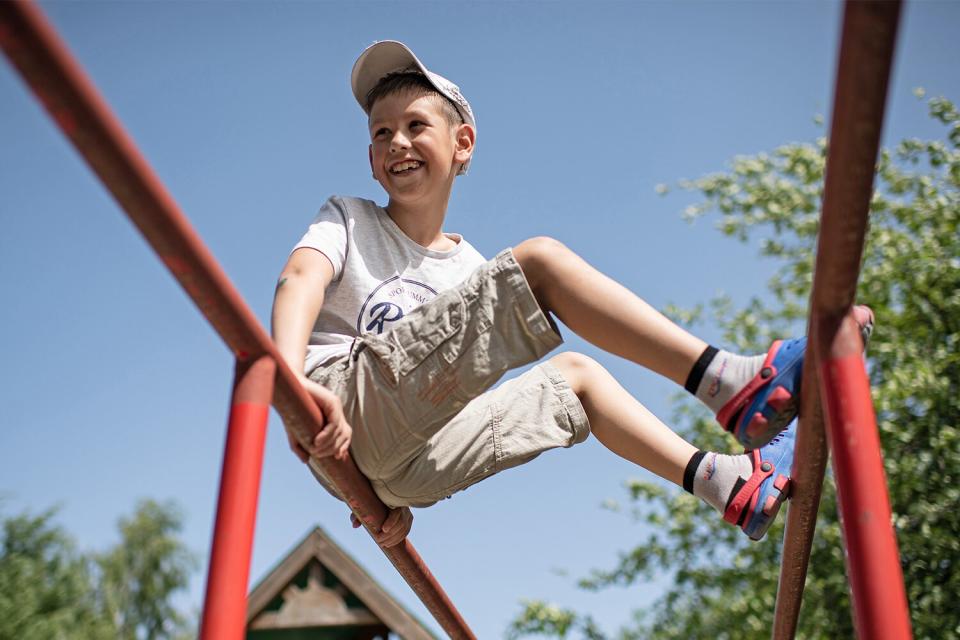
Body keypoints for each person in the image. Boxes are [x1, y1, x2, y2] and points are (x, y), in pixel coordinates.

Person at [271, 41, 872, 549]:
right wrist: (293, 387)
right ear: (372, 162)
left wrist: (380, 492)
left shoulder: (474, 275)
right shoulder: (351, 218)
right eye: (382, 133)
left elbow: (447, 407)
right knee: (540, 264)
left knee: (576, 379)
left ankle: (722, 482)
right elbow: (300, 279)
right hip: (332, 400)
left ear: (463, 144)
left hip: (398, 460)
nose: (397, 141)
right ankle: (728, 383)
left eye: (415, 125)